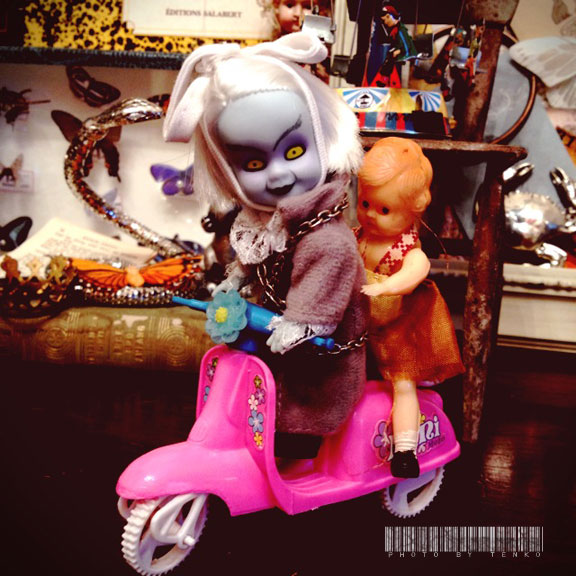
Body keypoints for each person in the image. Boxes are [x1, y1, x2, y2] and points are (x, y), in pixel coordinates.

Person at [163, 31, 369, 458]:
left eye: (294, 151)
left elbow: (318, 294)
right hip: (270, 340)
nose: (277, 175)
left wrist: (301, 324)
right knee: (245, 388)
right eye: (254, 163)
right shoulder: (266, 223)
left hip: (319, 357)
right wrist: (237, 279)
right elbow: (257, 257)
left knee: (295, 413)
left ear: (325, 137)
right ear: (226, 171)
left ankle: (294, 453)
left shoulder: (326, 238)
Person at [356, 137, 464, 477]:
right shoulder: (358, 236)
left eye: (384, 210)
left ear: (413, 209)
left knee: (403, 384)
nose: (370, 215)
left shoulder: (408, 249)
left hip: (398, 329)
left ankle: (405, 449)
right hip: (359, 325)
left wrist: (386, 286)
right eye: (364, 203)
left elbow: (415, 272)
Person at [365, 4, 417, 87]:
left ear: (389, 16)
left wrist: (399, 51)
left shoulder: (400, 30)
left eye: (385, 20)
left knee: (389, 60)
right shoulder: (394, 29)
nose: (385, 23)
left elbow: (406, 45)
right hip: (397, 50)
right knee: (388, 60)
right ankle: (384, 79)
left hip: (406, 52)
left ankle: (385, 79)